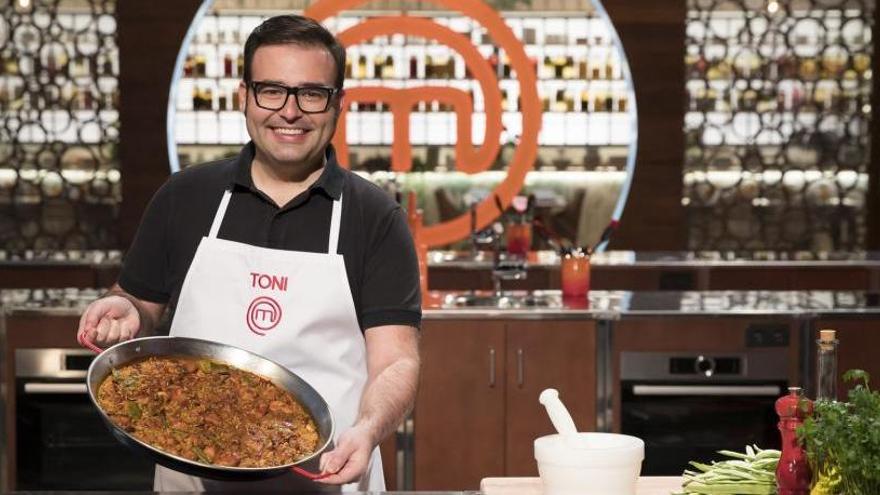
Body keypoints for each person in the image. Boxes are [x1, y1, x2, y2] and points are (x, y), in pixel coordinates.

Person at [76, 14, 421, 492]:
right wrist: (123, 309)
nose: (290, 111)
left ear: (338, 104)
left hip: (326, 476)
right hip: (190, 473)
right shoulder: (183, 196)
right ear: (244, 97)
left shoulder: (376, 217)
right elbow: (140, 307)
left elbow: (396, 361)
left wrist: (369, 429)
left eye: (311, 93)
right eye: (271, 90)